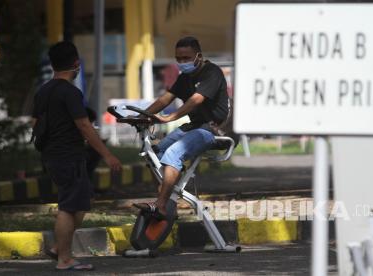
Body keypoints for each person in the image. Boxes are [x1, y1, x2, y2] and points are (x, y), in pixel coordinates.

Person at [32, 41, 121, 271]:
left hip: (52, 155)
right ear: (76, 64)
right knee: (69, 206)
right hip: (68, 155)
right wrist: (107, 154)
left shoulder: (43, 91)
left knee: (82, 201)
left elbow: (36, 123)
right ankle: (64, 259)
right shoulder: (71, 92)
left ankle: (58, 250)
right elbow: (83, 125)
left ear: (52, 65)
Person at [134, 36, 229, 219]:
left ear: (198, 56)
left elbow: (196, 100)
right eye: (178, 59)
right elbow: (165, 99)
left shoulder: (212, 72)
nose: (182, 62)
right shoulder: (184, 77)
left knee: (173, 154)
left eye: (186, 58)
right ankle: (168, 202)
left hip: (212, 131)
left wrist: (170, 117)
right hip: (194, 127)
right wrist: (140, 116)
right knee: (154, 154)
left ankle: (161, 206)